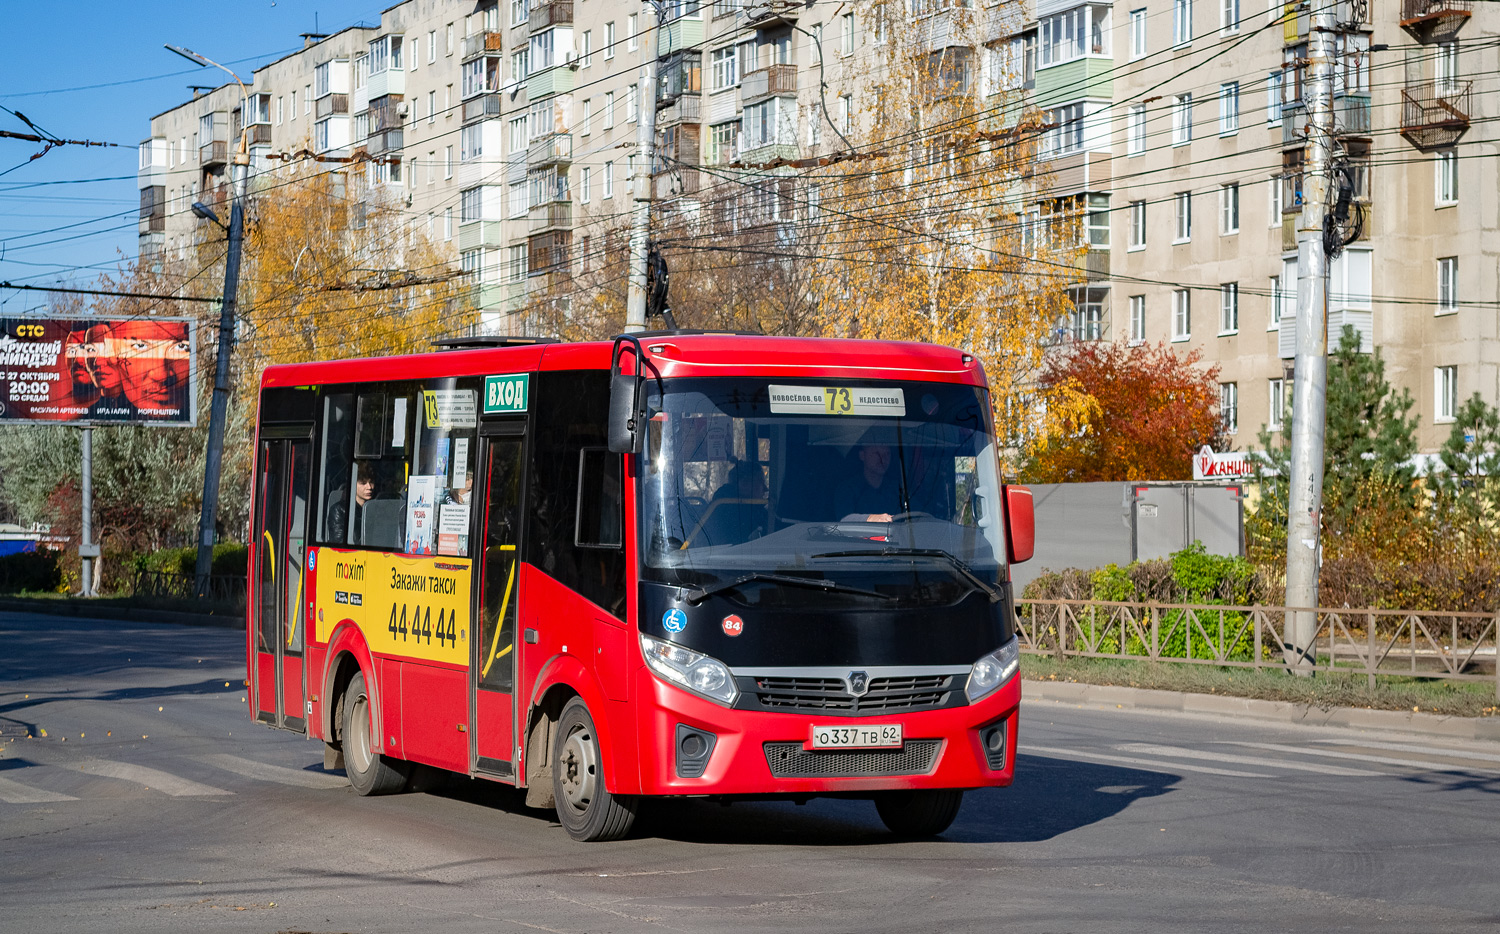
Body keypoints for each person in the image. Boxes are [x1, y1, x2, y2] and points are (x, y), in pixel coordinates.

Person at [835, 435, 905, 521]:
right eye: (877, 453)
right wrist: (872, 518)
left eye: (887, 454)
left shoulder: (898, 489)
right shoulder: (848, 489)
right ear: (862, 455)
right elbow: (844, 519)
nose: (883, 459)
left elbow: (917, 512)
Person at [326, 463, 376, 545]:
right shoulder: (339, 511)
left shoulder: (378, 510)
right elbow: (339, 544)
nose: (369, 487)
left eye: (371, 482)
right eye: (363, 483)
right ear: (352, 484)